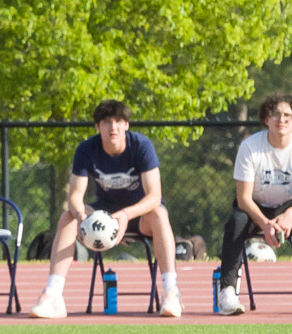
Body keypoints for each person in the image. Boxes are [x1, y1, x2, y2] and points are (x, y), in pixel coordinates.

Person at [29, 99, 183, 319]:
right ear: (97, 126)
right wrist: (81, 215)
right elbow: (74, 196)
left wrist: (125, 214)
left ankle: (171, 291)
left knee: (159, 213)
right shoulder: (86, 149)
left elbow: (154, 196)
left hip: (137, 213)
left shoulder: (141, 146)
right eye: (107, 122)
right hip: (103, 213)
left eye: (119, 121)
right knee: (67, 217)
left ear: (127, 125)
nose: (114, 127)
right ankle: (53, 296)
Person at [217, 93, 292, 315]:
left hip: (291, 208)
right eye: (276, 114)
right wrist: (265, 223)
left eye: (288, 115)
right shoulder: (250, 147)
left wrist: (289, 216)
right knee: (235, 222)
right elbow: (244, 198)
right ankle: (227, 292)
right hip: (255, 209)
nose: (282, 120)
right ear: (266, 119)